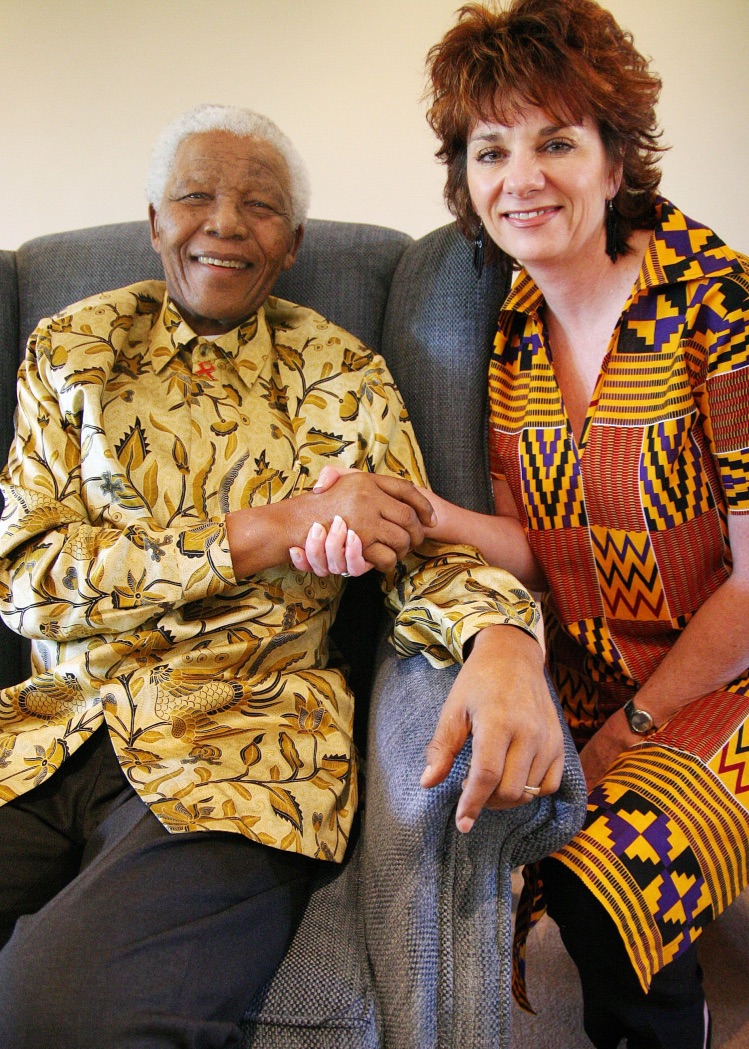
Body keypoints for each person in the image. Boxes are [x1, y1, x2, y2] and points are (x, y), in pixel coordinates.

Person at [0, 103, 564, 1048]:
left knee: (58, 1012)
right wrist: (268, 530)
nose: (223, 223)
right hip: (47, 728)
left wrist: (505, 637)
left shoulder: (341, 376)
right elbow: (26, 579)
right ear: (153, 223)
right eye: (194, 198)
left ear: (291, 242)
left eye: (258, 207)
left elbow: (424, 549)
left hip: (243, 746)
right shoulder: (71, 350)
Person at [295, 2, 749, 1047]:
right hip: (592, 669)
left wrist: (629, 728)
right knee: (511, 827)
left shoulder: (716, 305)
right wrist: (420, 513)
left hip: (722, 678)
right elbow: (532, 551)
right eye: (488, 149)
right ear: (463, 176)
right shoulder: (510, 329)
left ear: (612, 156)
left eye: (555, 140)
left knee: (598, 879)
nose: (520, 177)